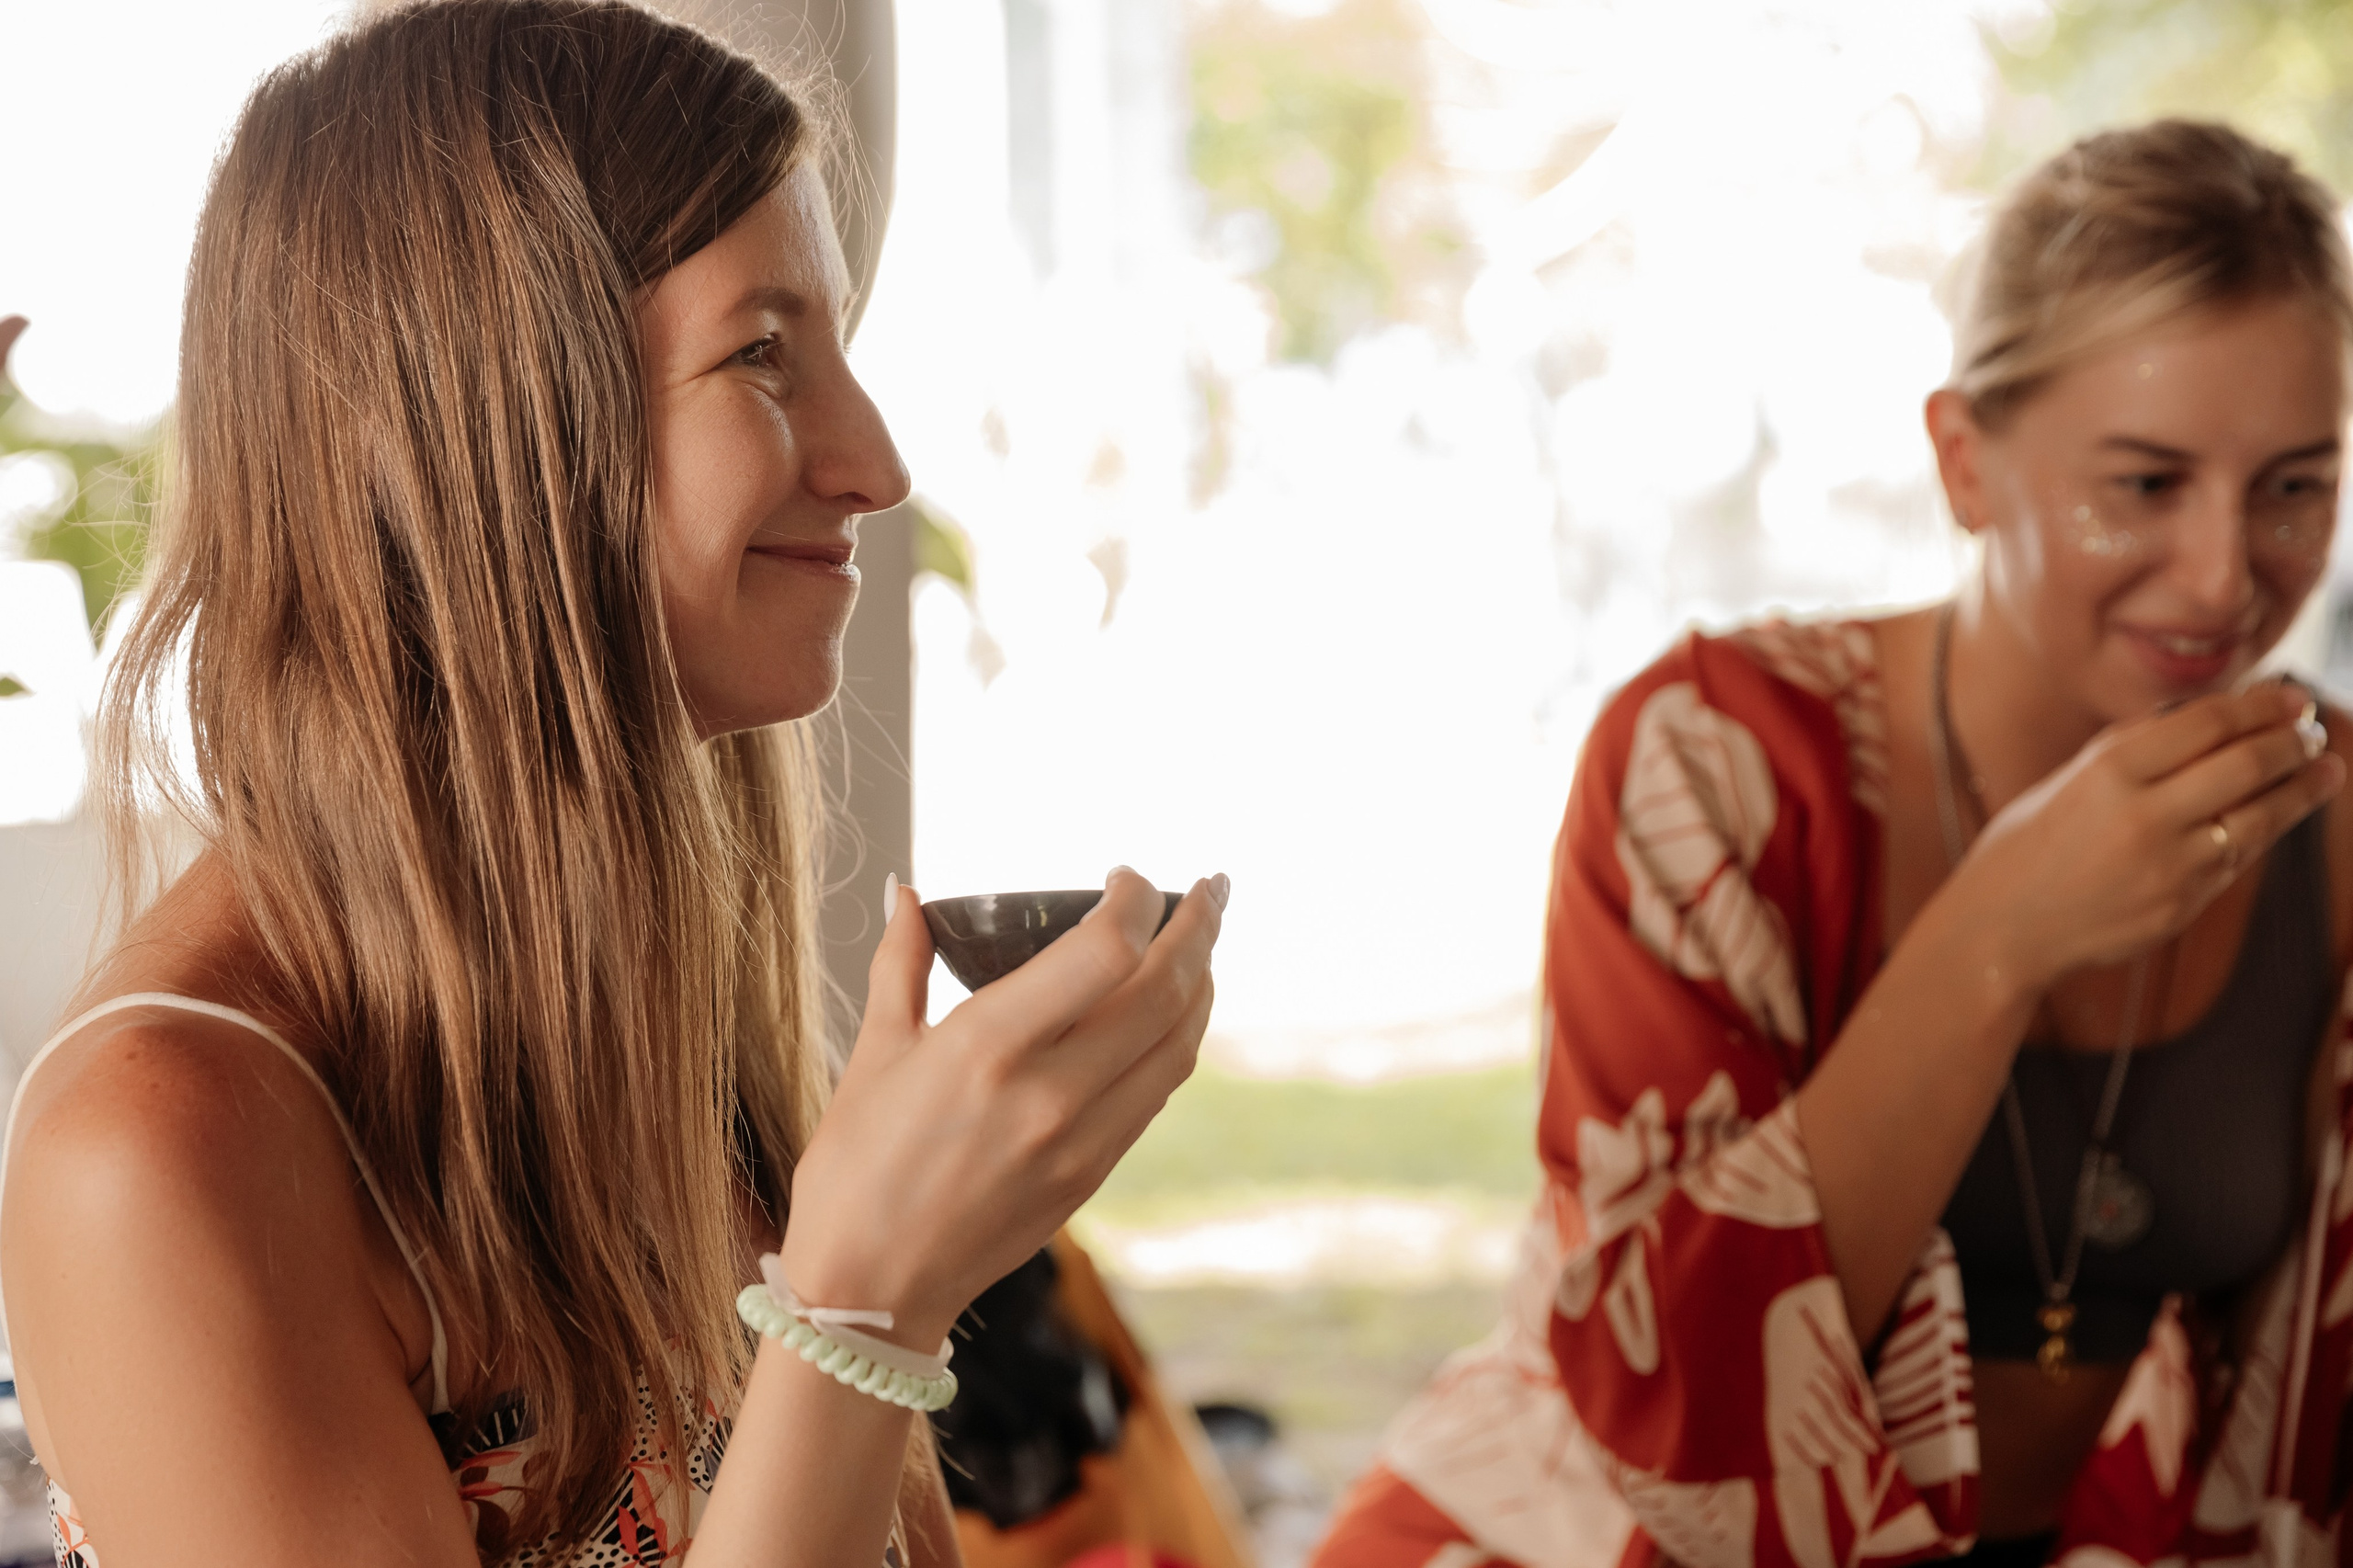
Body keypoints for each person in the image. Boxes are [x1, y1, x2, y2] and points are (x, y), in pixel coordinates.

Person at [0, 4, 1226, 1565]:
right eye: (763, 354)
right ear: (483, 424)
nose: (876, 458)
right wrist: (863, 1299)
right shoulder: (160, 1144)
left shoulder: (623, 1020)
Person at [1313, 119, 2353, 1568]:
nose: (2228, 574)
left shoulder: (2332, 819)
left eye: (2296, 485)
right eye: (2145, 484)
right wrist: (2003, 932)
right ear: (1965, 463)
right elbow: (1679, 1387)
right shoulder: (1713, 760)